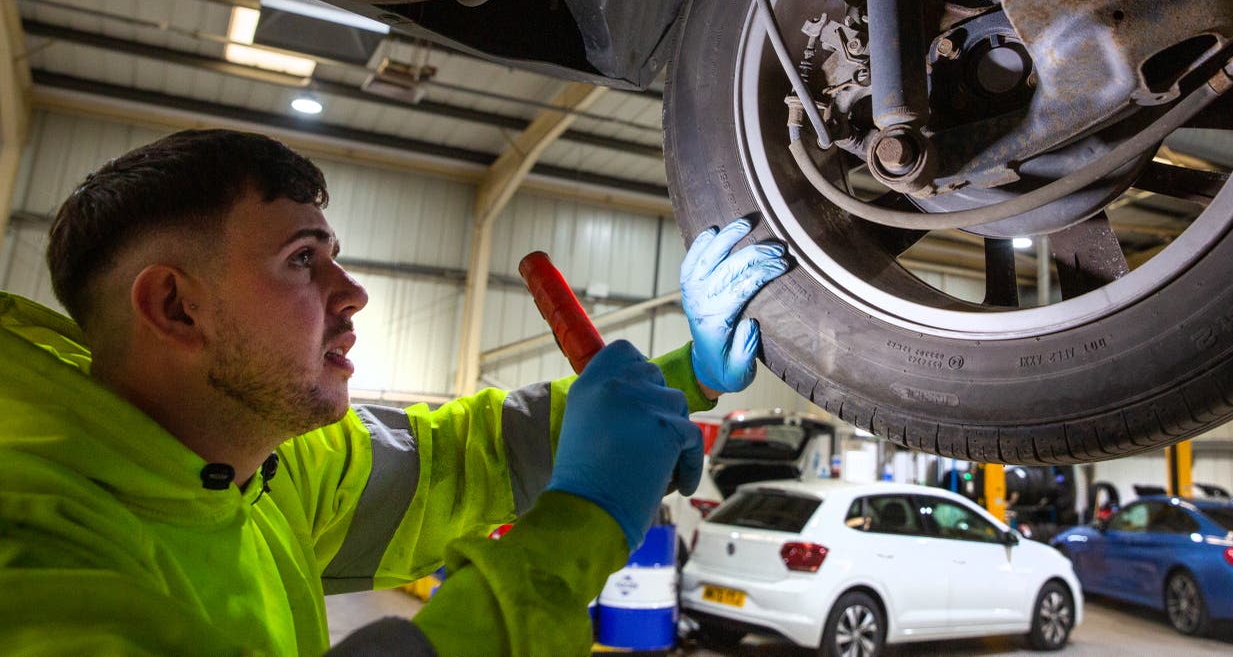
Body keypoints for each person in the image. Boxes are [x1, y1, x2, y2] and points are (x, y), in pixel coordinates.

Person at [0, 128, 788, 655]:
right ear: (175, 306)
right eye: (303, 261)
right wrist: (575, 529)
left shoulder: (262, 469)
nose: (353, 294)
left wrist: (685, 376)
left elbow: (458, 457)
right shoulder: (35, 555)